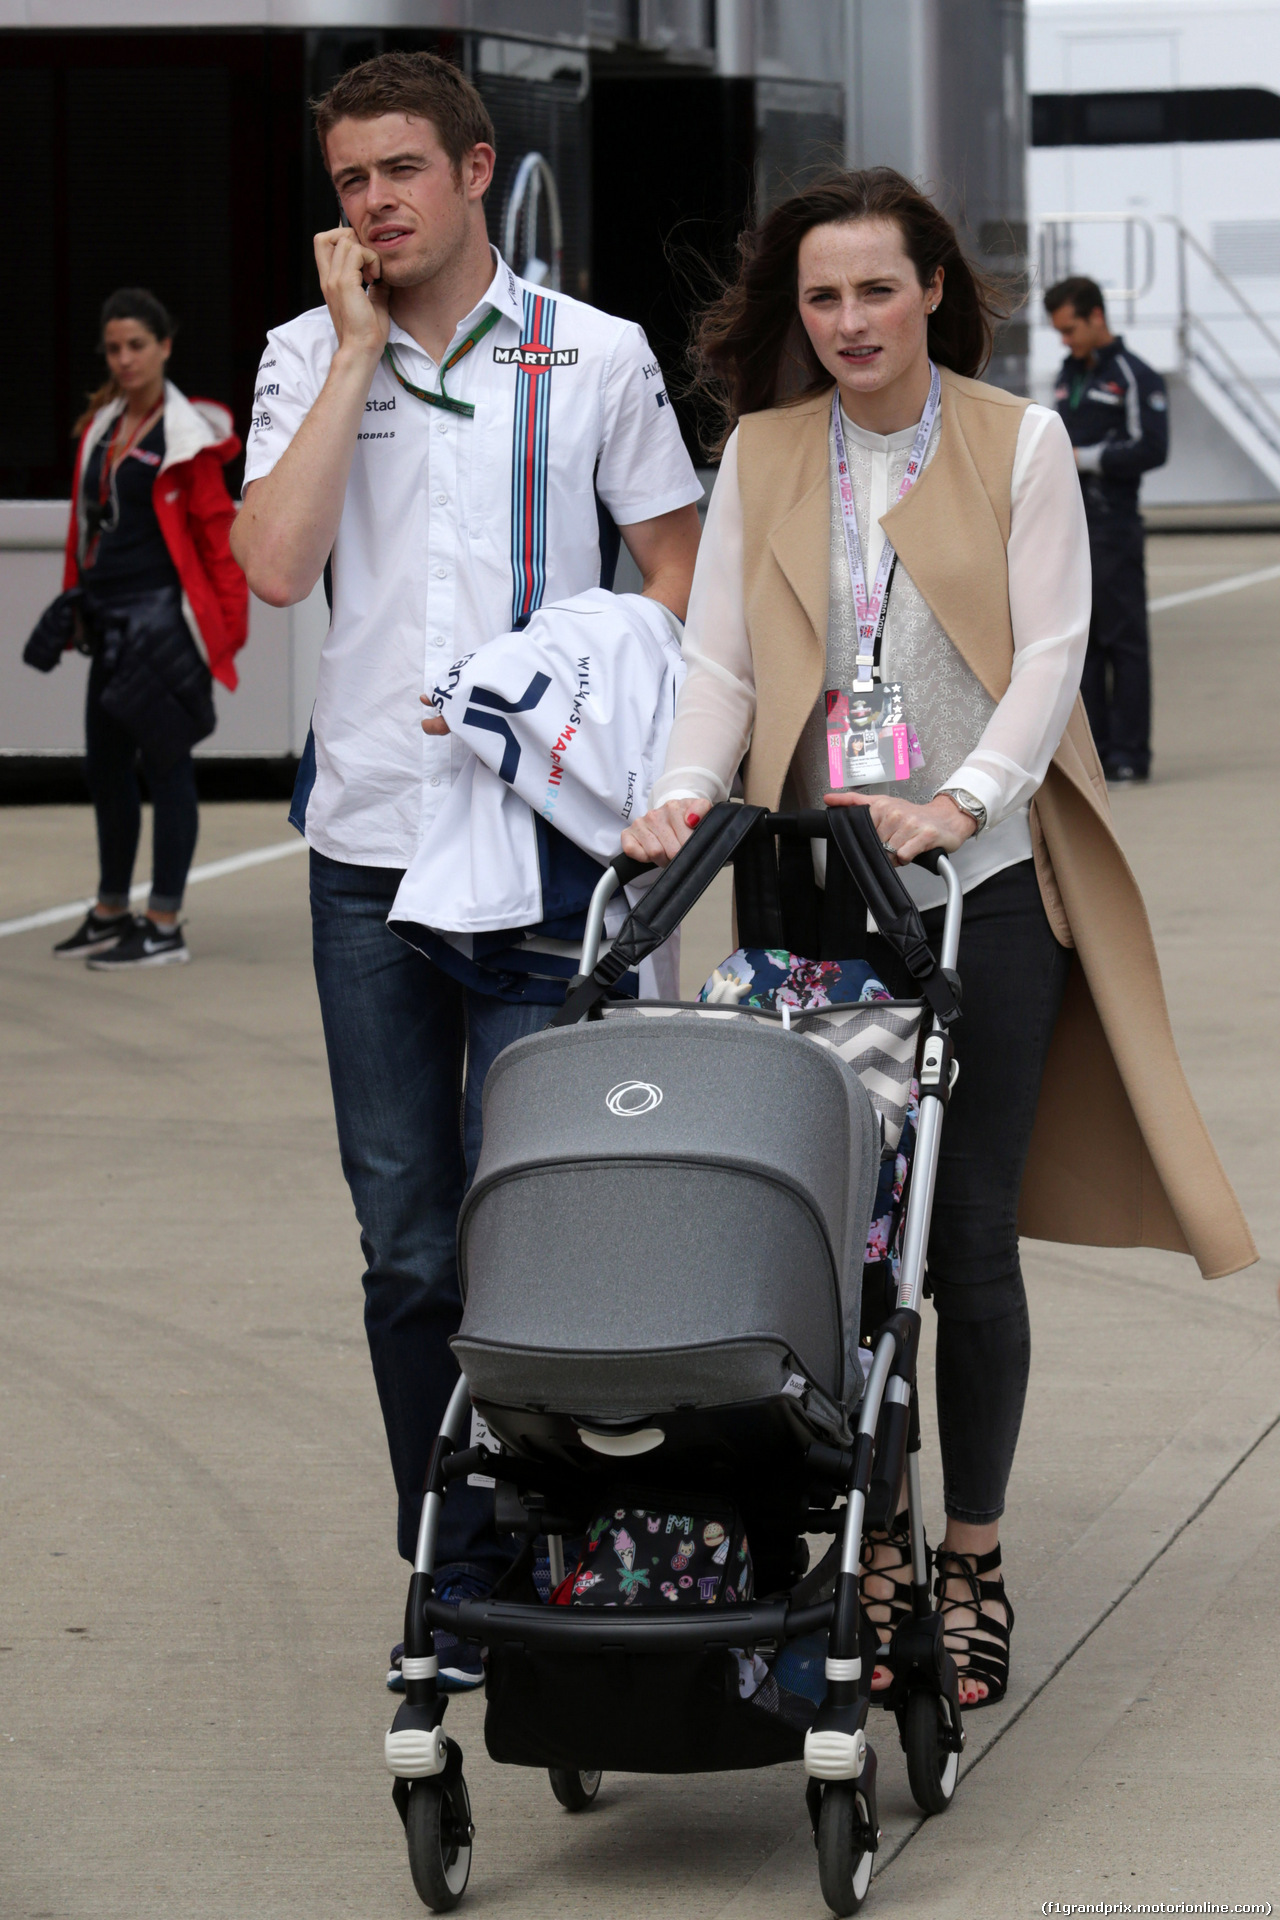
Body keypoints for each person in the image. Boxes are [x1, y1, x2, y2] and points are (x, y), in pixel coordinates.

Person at [622, 169, 1255, 1710]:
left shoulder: (1016, 440)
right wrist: (681, 796)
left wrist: (962, 801)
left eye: (876, 291)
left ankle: (969, 1553)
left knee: (962, 1246)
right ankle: (873, 1546)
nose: (850, 321)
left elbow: (1051, 656)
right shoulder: (767, 454)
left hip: (982, 889)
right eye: (823, 297)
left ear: (931, 295)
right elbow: (718, 665)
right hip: (804, 889)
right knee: (827, 1250)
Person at [229, 50, 702, 1690]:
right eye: (350, 179)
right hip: (367, 858)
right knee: (409, 1243)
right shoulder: (306, 356)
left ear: (477, 168)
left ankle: (575, 1543)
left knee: (550, 1228)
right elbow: (276, 569)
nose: (374, 202)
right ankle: (456, 1567)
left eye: (403, 171)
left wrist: (645, 764)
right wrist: (358, 351)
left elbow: (680, 580)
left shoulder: (600, 356)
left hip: (551, 866)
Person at [53, 288, 248, 968]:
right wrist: (71, 604)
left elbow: (219, 536)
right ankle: (112, 908)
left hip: (167, 626)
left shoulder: (185, 434)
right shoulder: (102, 428)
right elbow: (84, 531)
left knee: (167, 767)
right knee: (104, 768)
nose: (125, 358)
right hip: (107, 623)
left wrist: (224, 631)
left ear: (165, 346)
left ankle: (163, 922)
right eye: (114, 348)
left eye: (138, 344)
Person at [1045, 276, 1168, 785]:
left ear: (1097, 317)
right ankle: (1093, 750)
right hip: (1071, 527)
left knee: (1124, 642)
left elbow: (1152, 449)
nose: (1065, 340)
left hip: (1114, 527)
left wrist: (1081, 458)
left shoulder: (1135, 375)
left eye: (1070, 328)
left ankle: (1130, 754)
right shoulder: (1066, 373)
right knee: (1084, 642)